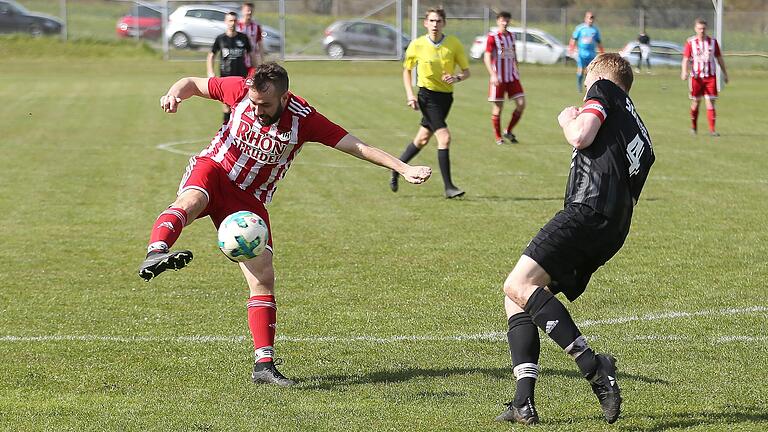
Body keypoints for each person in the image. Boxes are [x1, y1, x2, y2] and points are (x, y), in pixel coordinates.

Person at [137, 62, 432, 386]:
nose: (257, 109)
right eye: (253, 103)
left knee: (263, 277)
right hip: (215, 170)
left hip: (249, 202)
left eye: (265, 104)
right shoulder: (238, 89)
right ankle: (157, 250)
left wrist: (403, 168)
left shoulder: (304, 120)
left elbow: (356, 146)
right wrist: (174, 94)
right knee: (191, 202)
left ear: (284, 96)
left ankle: (263, 365)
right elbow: (192, 82)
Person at [494, 53, 655, 425]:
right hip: (614, 227)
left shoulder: (603, 89)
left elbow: (581, 135)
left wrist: (568, 118)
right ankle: (523, 402)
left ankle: (595, 367)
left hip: (587, 208)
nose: (586, 87)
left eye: (586, 78)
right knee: (519, 297)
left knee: (517, 283)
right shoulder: (640, 130)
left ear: (596, 74)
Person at [390, 7, 470, 199]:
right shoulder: (417, 45)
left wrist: (456, 78)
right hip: (427, 96)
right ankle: (449, 187)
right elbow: (407, 71)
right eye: (431, 21)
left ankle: (396, 168)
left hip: (446, 98)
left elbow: (466, 71)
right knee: (444, 138)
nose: (435, 25)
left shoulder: (453, 44)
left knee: (422, 139)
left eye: (438, 21)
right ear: (425, 23)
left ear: (444, 23)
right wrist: (410, 95)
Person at [681, 18, 728, 136]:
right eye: (699, 28)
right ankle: (693, 128)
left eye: (703, 28)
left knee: (710, 102)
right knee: (696, 102)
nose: (702, 30)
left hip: (710, 77)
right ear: (695, 29)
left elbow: (719, 59)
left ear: (706, 29)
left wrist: (725, 73)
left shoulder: (713, 42)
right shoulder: (690, 42)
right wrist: (684, 71)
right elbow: (686, 59)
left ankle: (712, 130)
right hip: (696, 78)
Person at [206, 11, 256, 125]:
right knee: (226, 105)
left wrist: (256, 70)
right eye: (230, 21)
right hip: (225, 76)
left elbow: (251, 54)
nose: (232, 23)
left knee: (243, 104)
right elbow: (211, 55)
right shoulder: (220, 39)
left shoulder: (243, 38)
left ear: (237, 22)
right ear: (225, 22)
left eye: (234, 21)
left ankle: (245, 127)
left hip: (241, 77)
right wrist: (210, 71)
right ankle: (226, 128)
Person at [483, 11, 525, 145]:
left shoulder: (512, 36)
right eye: (502, 20)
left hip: (512, 77)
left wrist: (516, 67)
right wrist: (493, 74)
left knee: (521, 104)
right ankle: (498, 137)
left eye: (507, 20)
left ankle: (508, 130)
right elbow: (487, 57)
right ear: (498, 21)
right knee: (498, 108)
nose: (505, 23)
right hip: (499, 77)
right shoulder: (492, 37)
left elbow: (514, 53)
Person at [569, 11, 604, 91]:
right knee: (581, 70)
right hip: (581, 53)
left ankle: (589, 87)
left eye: (592, 18)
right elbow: (574, 39)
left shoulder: (595, 30)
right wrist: (571, 48)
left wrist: (602, 52)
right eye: (589, 18)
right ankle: (579, 86)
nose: (591, 20)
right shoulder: (580, 28)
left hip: (591, 54)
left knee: (590, 72)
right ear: (585, 18)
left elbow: (599, 42)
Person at [237, 2, 265, 74]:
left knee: (252, 80)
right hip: (238, 59)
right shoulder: (236, 25)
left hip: (252, 59)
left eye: (251, 11)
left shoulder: (256, 27)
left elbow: (260, 44)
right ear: (242, 11)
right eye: (247, 10)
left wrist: (262, 60)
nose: (249, 13)